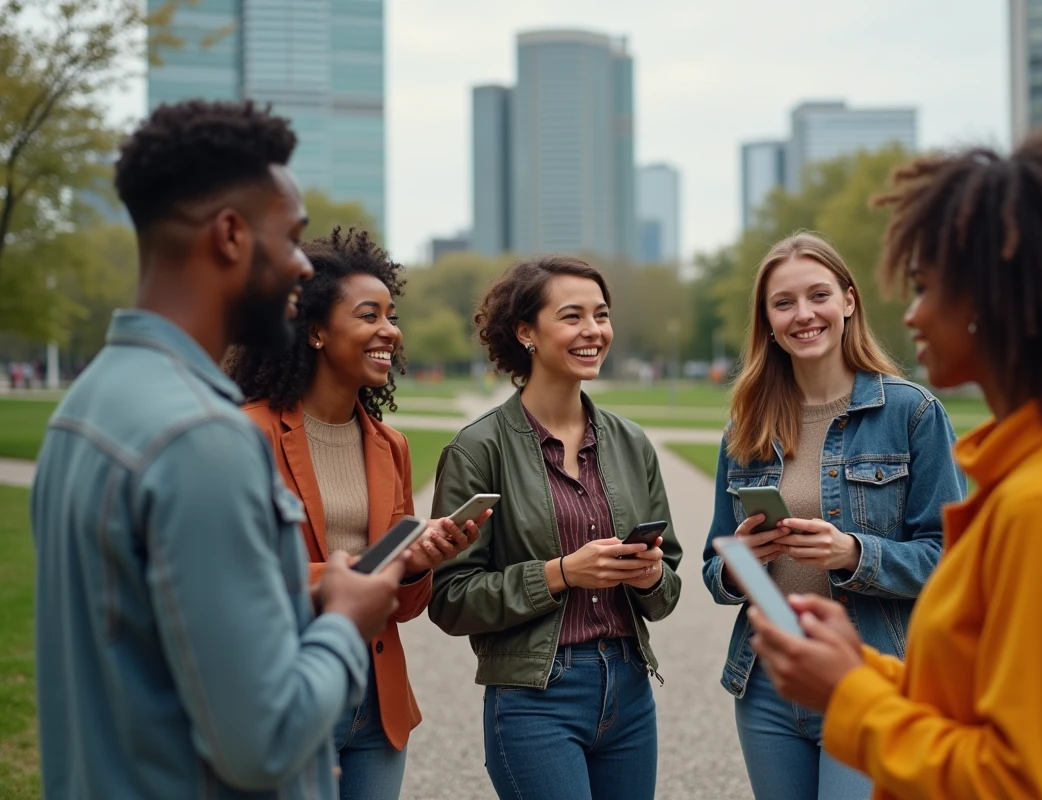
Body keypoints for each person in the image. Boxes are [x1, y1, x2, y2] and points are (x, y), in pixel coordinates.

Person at [748, 127, 1042, 799]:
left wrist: (849, 696)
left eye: (926, 288)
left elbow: (1022, 781)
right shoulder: (1036, 476)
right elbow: (968, 700)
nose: (914, 314)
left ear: (995, 302)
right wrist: (861, 671)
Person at [31, 100, 405, 800]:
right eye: (291, 238)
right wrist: (345, 622)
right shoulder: (203, 439)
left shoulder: (83, 408)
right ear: (230, 235)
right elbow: (264, 742)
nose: (302, 268)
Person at [700, 232, 965, 800]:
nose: (803, 314)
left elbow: (952, 561)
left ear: (848, 301)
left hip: (868, 676)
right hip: (768, 683)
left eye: (818, 295)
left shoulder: (912, 413)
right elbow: (714, 570)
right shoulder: (746, 427)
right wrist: (741, 564)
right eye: (784, 302)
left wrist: (853, 553)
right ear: (768, 321)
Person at [224, 226, 485, 798]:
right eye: (369, 316)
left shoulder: (390, 446)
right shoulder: (245, 436)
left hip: (377, 705)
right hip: (288, 693)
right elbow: (233, 580)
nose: (390, 330)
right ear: (315, 331)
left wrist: (417, 564)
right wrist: (356, 572)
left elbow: (404, 606)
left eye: (392, 316)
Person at [427, 256, 683, 800]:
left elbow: (668, 589)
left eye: (601, 315)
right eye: (572, 316)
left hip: (630, 690)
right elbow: (450, 599)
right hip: (534, 700)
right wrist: (562, 573)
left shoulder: (632, 443)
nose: (593, 330)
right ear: (527, 333)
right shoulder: (477, 449)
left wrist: (649, 577)